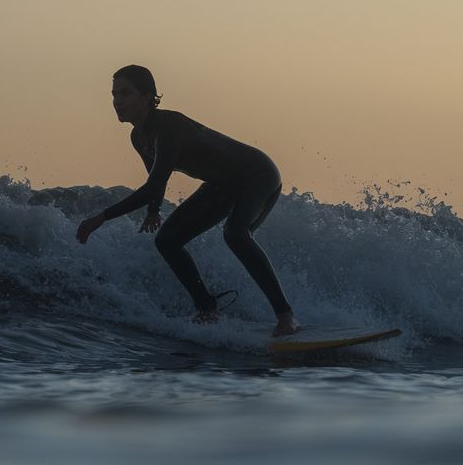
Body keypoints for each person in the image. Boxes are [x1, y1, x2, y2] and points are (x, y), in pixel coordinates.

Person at [76, 65, 301, 336]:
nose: (117, 101)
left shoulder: (169, 126)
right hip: (223, 184)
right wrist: (153, 210)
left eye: (125, 93)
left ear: (148, 96)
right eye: (114, 94)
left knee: (236, 234)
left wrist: (101, 217)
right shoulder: (139, 137)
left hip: (258, 174)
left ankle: (286, 316)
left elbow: (153, 185)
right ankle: (207, 308)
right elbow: (156, 177)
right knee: (167, 241)